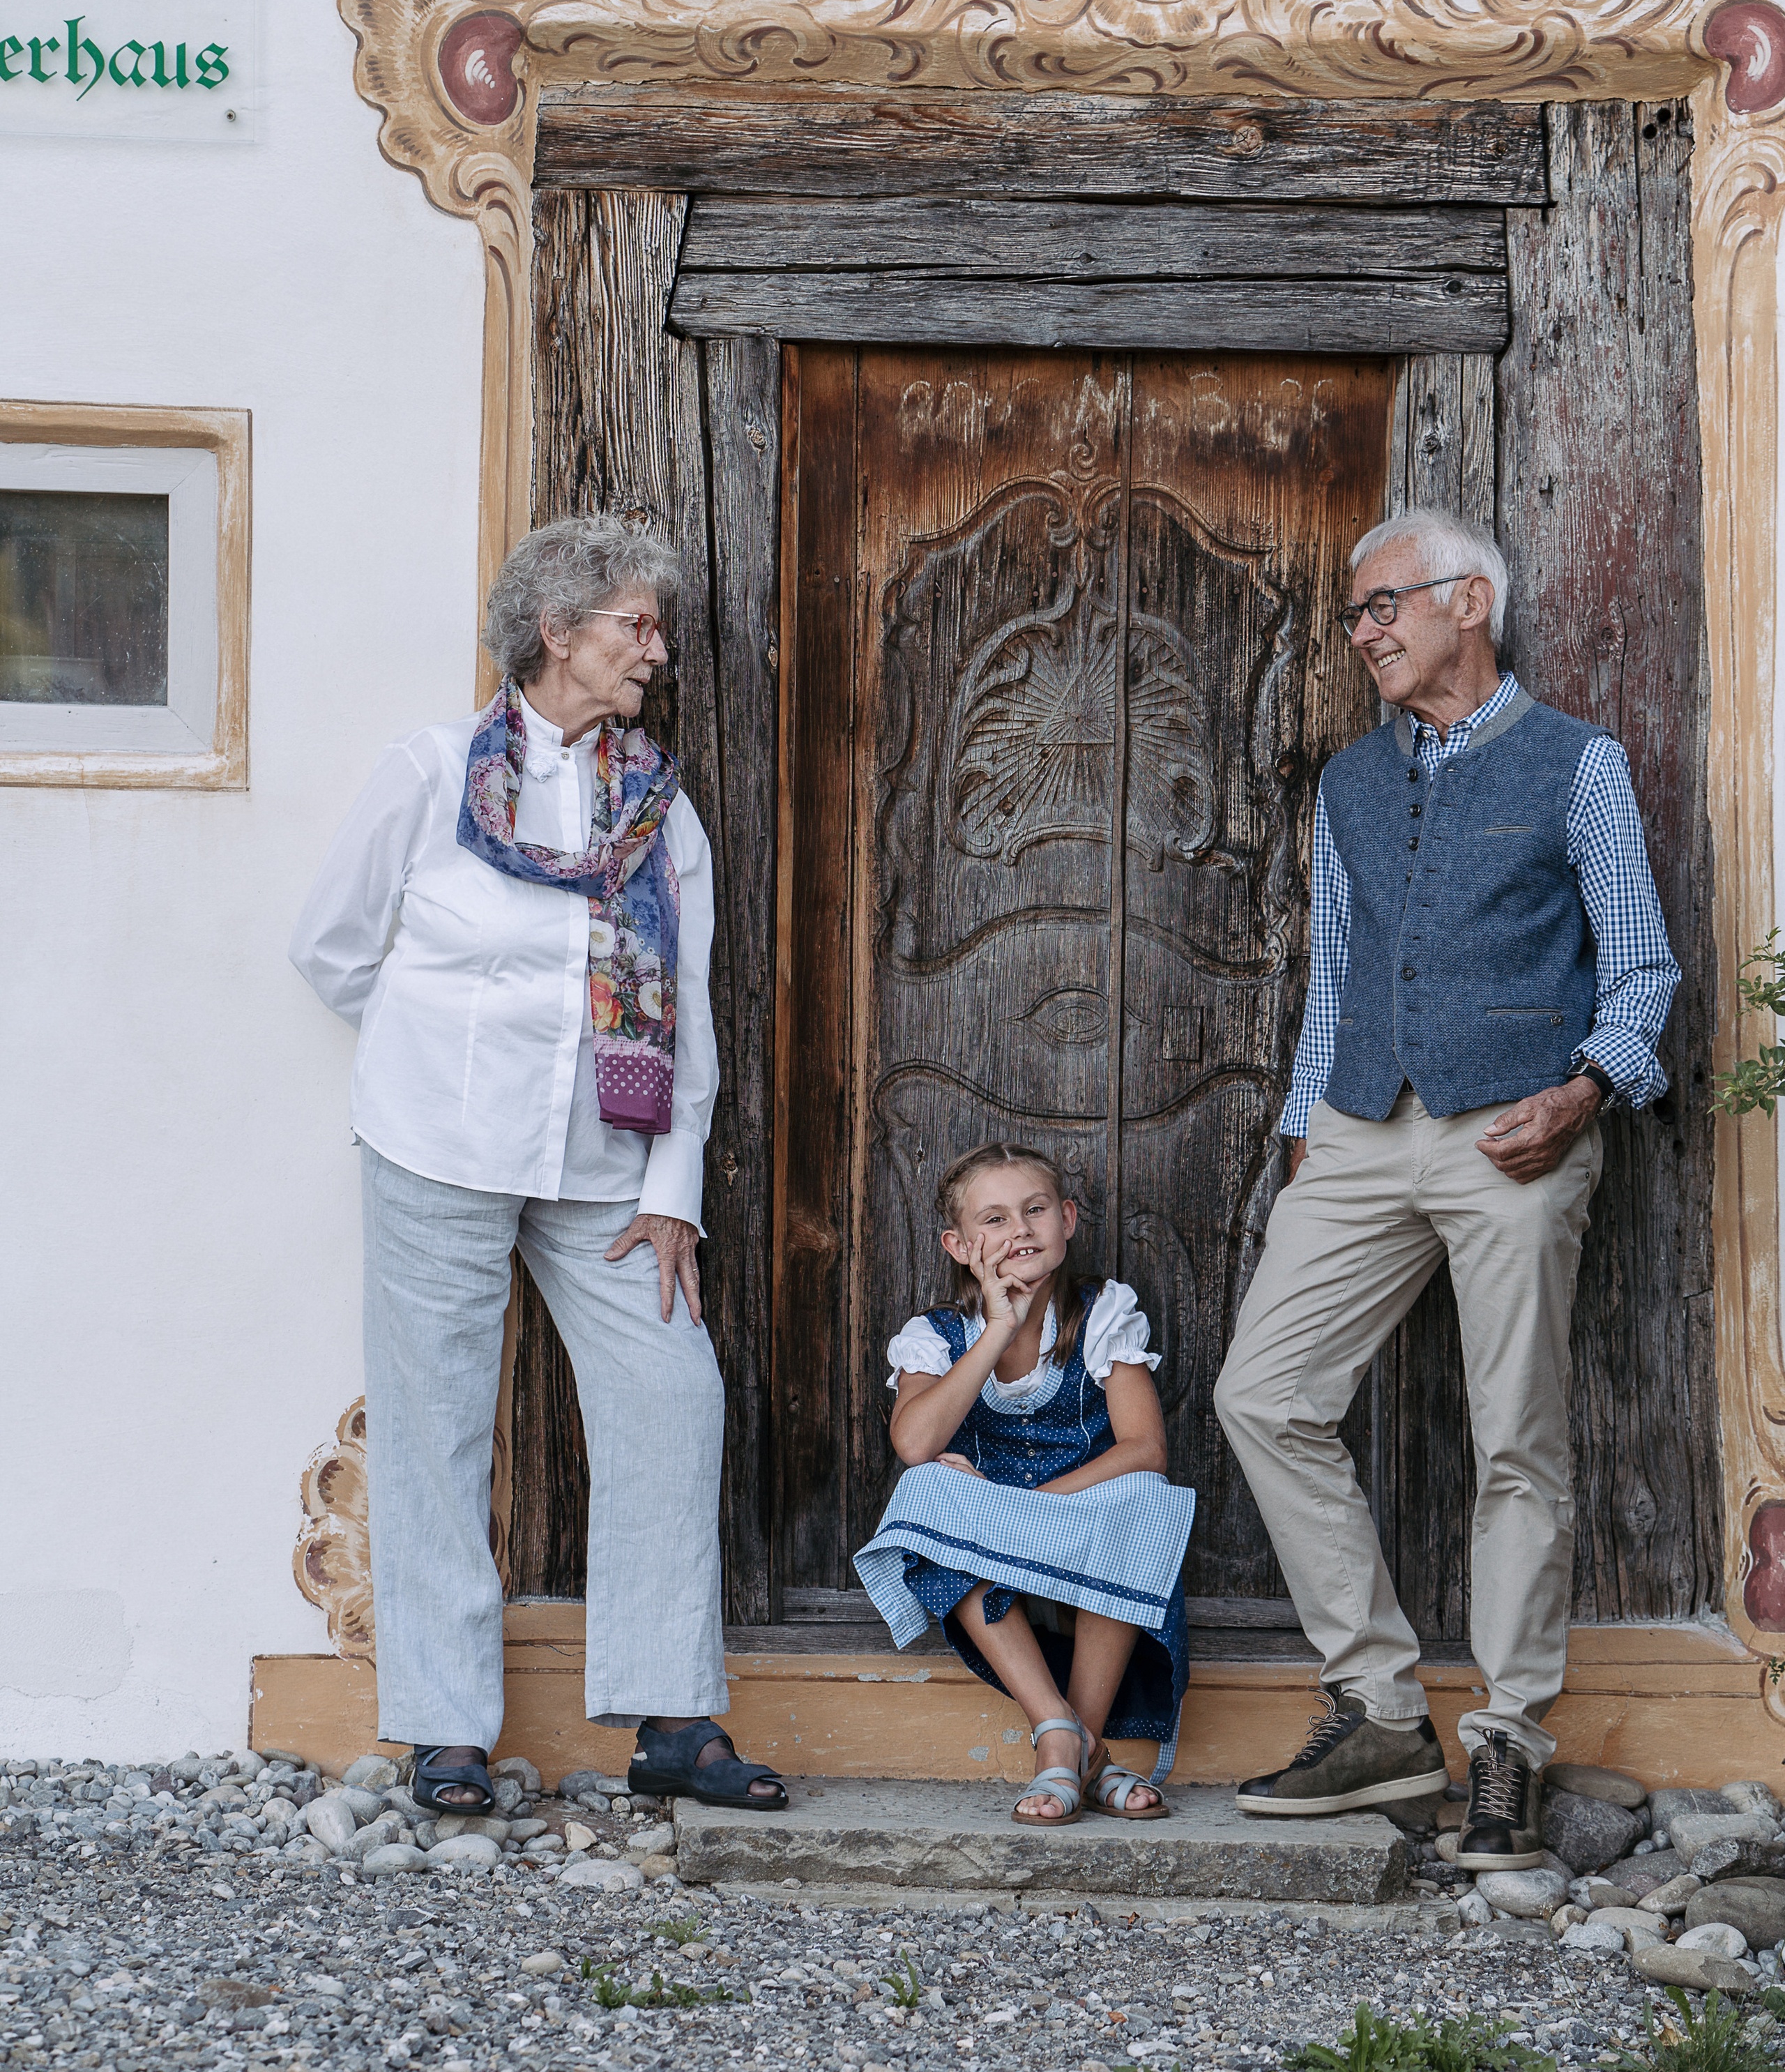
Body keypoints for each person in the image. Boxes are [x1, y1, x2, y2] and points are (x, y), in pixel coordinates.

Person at [289, 514, 785, 1817]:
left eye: (656, 628)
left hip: (604, 1162)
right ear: (557, 632)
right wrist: (429, 1058)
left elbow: (686, 1010)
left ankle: (674, 1720)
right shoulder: (432, 772)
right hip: (433, 1148)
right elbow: (336, 949)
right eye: (635, 625)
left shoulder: (659, 811)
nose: (657, 652)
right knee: (433, 1423)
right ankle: (445, 1728)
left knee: (674, 1400)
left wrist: (672, 1193)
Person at [1214, 508, 1680, 1869]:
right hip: (1361, 1129)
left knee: (1513, 1439)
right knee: (1262, 1394)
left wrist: (1587, 1088)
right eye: (1356, 615)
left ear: (1465, 601)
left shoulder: (1573, 763)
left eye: (1382, 607)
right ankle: (1374, 1710)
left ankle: (1508, 1750)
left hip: (1517, 1130)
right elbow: (1336, 972)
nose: (1363, 633)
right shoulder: (1348, 783)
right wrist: (1310, 1127)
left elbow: (1640, 965)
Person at [853, 1142, 1194, 1824]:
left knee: (1146, 1501)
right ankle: (1061, 1734)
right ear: (957, 1244)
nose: (1020, 1232)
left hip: (1083, 1542)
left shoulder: (1102, 1313)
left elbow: (1144, 1449)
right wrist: (996, 1328)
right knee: (924, 1487)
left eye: (1035, 1210)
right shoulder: (936, 1334)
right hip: (992, 1573)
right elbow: (915, 1442)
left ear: (1066, 1219)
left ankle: (1079, 1740)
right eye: (996, 1219)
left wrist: (1025, 1508)